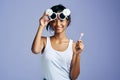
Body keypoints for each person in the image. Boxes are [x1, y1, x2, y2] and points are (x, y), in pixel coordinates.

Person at [31, 4, 84, 80]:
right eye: (54, 21)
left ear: (67, 22)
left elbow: (74, 77)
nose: (58, 24)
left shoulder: (74, 46)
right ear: (50, 22)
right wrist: (41, 26)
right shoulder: (44, 41)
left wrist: (77, 54)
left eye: (61, 20)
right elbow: (35, 50)